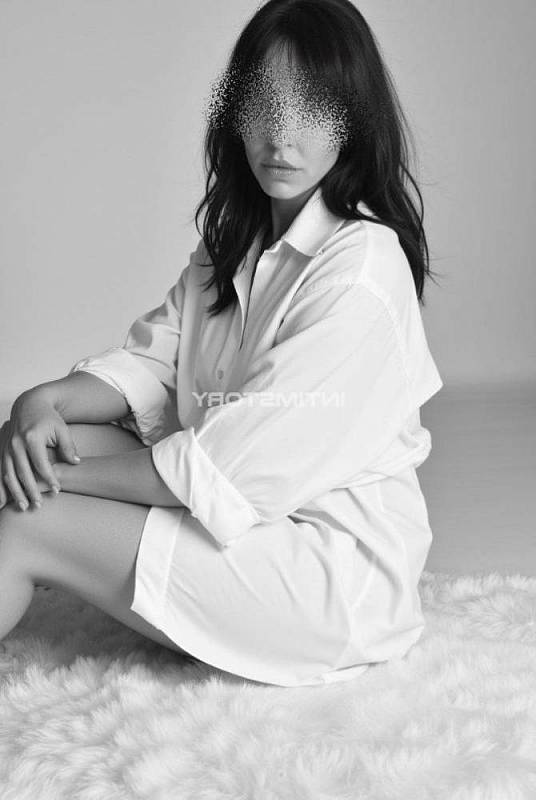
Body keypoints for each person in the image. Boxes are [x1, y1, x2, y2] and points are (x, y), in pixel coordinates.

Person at [0, 0, 443, 687]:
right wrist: (39, 403)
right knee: (20, 448)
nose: (282, 135)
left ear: (354, 120)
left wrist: (50, 480)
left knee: (30, 515)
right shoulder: (236, 242)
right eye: (263, 103)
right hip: (245, 527)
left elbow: (223, 471)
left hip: (328, 578)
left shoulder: (361, 267)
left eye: (313, 107)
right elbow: (155, 365)